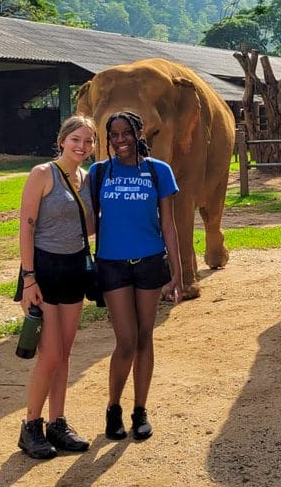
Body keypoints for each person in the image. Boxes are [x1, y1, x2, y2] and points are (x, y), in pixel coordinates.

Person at [89, 111, 183, 441]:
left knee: (145, 337)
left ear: (138, 132)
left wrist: (177, 273)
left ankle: (140, 410)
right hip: (111, 264)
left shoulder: (159, 171)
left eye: (125, 133)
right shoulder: (99, 172)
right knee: (126, 341)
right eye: (113, 135)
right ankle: (113, 407)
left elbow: (169, 225)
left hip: (149, 262)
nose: (119, 141)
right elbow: (87, 224)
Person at [16, 115, 96, 459]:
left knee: (64, 353)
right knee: (48, 355)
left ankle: (57, 423)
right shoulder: (42, 174)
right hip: (44, 270)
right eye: (76, 139)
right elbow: (26, 228)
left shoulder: (87, 178)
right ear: (62, 140)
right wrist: (28, 278)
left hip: (75, 267)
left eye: (89, 141)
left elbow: (88, 227)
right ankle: (30, 427)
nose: (82, 147)